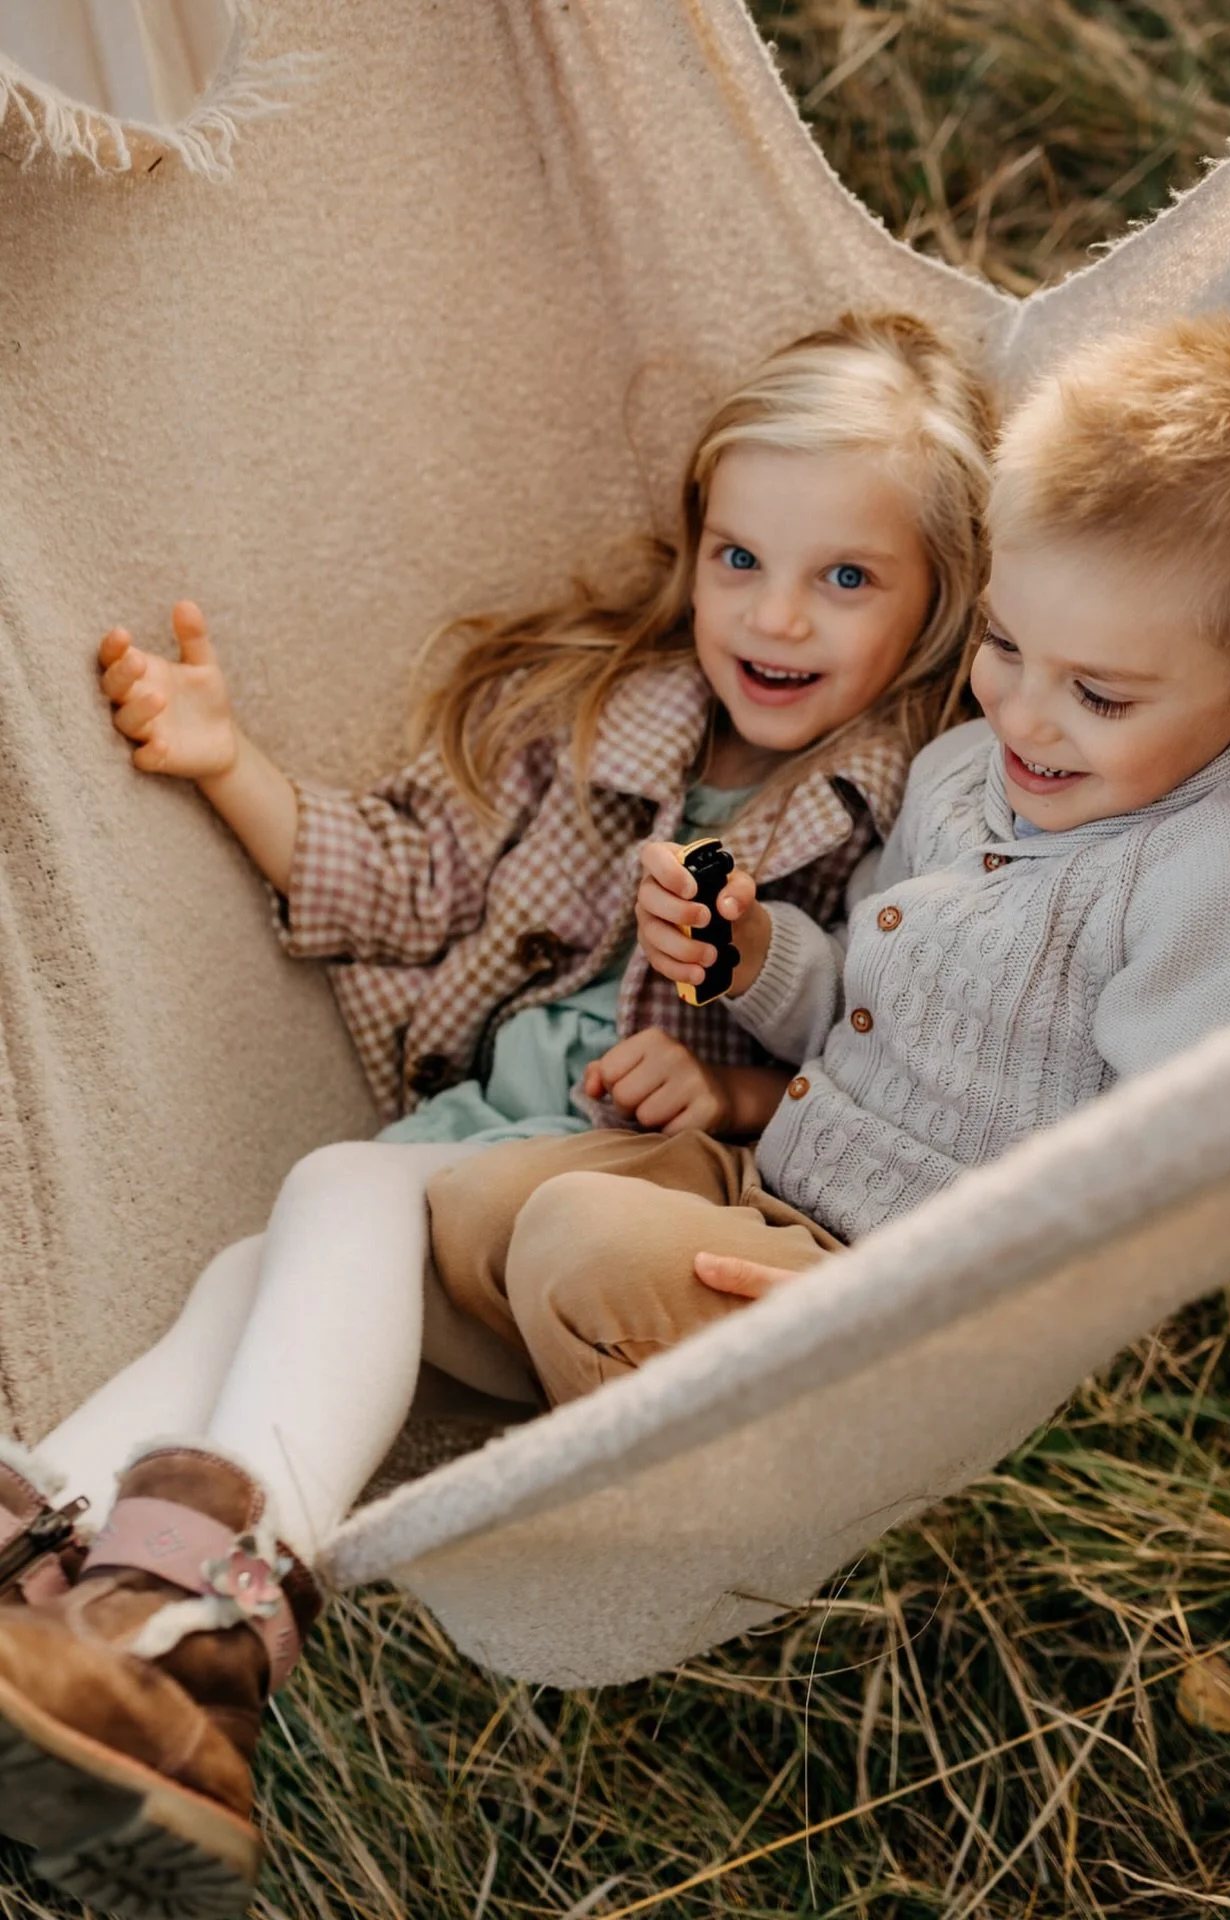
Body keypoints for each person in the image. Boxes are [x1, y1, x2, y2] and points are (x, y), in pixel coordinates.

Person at [0, 313, 991, 1920]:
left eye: (848, 580)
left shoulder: (922, 807)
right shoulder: (612, 719)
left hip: (649, 1191)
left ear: (945, 603)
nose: (775, 613)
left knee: (332, 1190)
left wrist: (734, 1082)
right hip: (468, 1150)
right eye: (738, 557)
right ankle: (52, 1577)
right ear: (693, 544)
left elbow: (911, 1060)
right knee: (247, 1269)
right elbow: (407, 880)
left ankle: (214, 1627)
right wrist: (228, 761)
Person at [424, 310, 1230, 1406]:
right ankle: (601, 1394)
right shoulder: (959, 771)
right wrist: (749, 949)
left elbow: (1171, 1187)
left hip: (917, 1312)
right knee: (474, 1208)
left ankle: (665, 1453)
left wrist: (902, 1305)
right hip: (776, 1184)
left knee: (582, 1240)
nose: (1023, 719)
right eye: (1003, 645)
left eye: (1098, 695)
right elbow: (857, 1005)